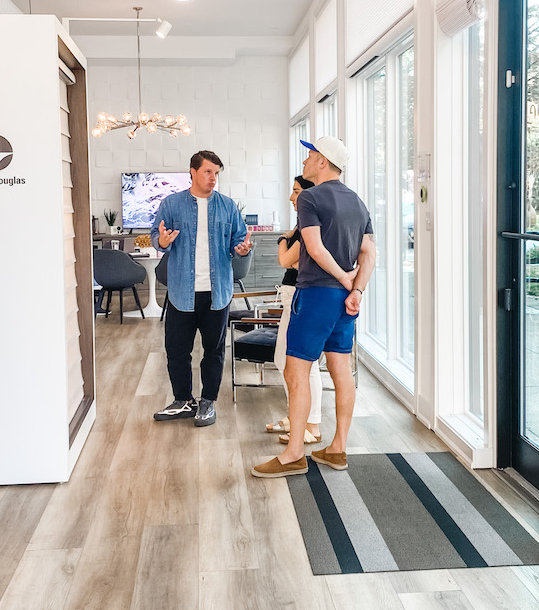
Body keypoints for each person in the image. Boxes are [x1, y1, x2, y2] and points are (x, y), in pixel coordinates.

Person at [252, 136, 375, 478]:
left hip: (318, 294)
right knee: (340, 370)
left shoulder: (309, 197)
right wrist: (357, 289)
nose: (305, 161)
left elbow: (316, 250)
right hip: (345, 302)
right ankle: (337, 448)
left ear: (323, 161)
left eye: (310, 156)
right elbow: (369, 253)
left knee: (296, 371)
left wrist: (345, 281)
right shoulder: (357, 201)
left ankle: (293, 454)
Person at [152, 150, 252, 427]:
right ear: (193, 172)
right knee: (176, 349)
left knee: (214, 350)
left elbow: (239, 240)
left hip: (216, 293)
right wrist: (161, 241)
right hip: (182, 291)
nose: (213, 178)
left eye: (216, 173)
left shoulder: (228, 206)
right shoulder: (171, 204)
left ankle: (207, 401)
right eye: (208, 172)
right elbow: (156, 239)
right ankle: (183, 399)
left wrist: (242, 249)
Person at [264, 174, 323, 445]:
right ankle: (295, 415)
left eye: (296, 191)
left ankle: (312, 424)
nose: (291, 197)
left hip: (301, 298)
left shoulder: (308, 226)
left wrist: (282, 239)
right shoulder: (301, 226)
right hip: (291, 297)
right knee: (282, 361)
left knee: (305, 366)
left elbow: (286, 261)